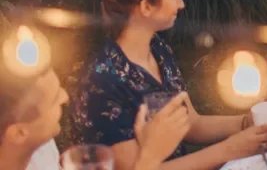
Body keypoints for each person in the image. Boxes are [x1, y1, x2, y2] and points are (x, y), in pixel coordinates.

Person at [70, 0, 267, 170]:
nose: (181, 4)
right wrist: (230, 148)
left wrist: (245, 123)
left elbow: (192, 124)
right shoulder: (102, 84)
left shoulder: (157, 48)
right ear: (146, 7)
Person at [0, 26, 190, 170]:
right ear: (19, 133)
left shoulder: (39, 147)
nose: (65, 97)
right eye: (52, 100)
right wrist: (150, 156)